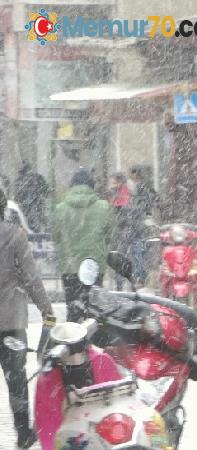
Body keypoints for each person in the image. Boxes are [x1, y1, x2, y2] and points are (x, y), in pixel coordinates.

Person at [0, 188, 53, 449]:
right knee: (16, 378)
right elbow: (31, 278)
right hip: (10, 321)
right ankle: (23, 433)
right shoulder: (15, 236)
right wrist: (46, 309)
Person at [52, 169, 113, 322]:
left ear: (72, 186)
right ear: (91, 185)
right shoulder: (103, 207)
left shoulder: (60, 209)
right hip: (93, 267)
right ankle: (92, 342)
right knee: (93, 311)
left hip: (69, 266)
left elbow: (55, 236)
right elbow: (109, 235)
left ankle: (73, 342)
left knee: (73, 310)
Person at [128, 166, 157, 287]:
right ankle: (142, 277)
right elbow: (154, 201)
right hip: (143, 225)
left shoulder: (138, 190)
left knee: (138, 252)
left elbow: (139, 208)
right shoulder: (147, 189)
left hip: (138, 225)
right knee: (143, 251)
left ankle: (140, 278)